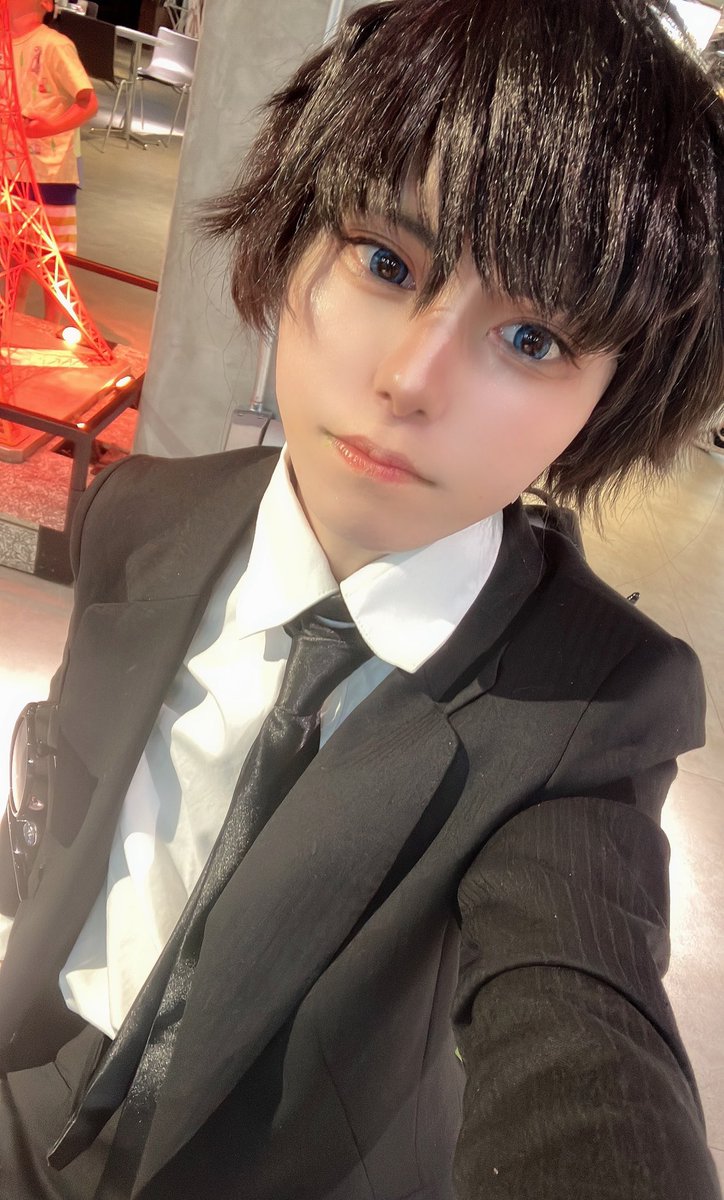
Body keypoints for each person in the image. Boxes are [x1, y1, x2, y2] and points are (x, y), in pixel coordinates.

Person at [0, 0, 722, 1197]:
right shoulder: (142, 514)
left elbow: (585, 1024)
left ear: (615, 394)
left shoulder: (594, 707)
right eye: (386, 263)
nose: (410, 379)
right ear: (295, 234)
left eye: (532, 338)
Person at [9, 0, 98, 323]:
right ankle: (13, 322)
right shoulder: (6, 44)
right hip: (11, 170)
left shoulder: (54, 45)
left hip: (49, 172)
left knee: (52, 259)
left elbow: (88, 102)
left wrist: (49, 127)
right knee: (14, 254)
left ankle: (52, 327)